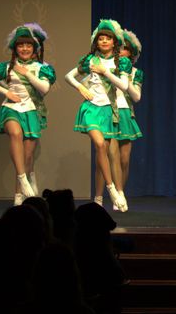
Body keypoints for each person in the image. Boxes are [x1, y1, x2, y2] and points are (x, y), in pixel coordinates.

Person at [0, 24, 55, 205]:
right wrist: (6, 92)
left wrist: (27, 74)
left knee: (27, 157)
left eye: (28, 45)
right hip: (11, 108)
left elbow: (44, 89)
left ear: (34, 48)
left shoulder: (41, 67)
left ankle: (19, 193)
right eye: (21, 45)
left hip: (31, 111)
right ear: (15, 48)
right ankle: (23, 178)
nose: (24, 48)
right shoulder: (7, 66)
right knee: (15, 134)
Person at [65, 19, 130, 211]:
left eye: (108, 38)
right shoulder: (90, 60)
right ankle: (111, 189)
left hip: (109, 111)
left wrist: (105, 72)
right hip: (91, 108)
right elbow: (68, 76)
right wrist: (80, 88)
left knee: (105, 152)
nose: (104, 41)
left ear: (114, 42)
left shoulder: (121, 62)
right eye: (101, 38)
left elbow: (124, 86)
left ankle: (101, 196)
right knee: (100, 145)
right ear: (96, 42)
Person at [105, 29, 144, 211]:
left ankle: (121, 192)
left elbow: (136, 97)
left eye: (125, 49)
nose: (121, 52)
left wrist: (125, 78)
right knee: (112, 156)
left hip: (126, 113)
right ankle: (116, 194)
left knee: (124, 160)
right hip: (109, 113)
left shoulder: (136, 73)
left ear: (131, 53)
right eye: (119, 48)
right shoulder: (107, 67)